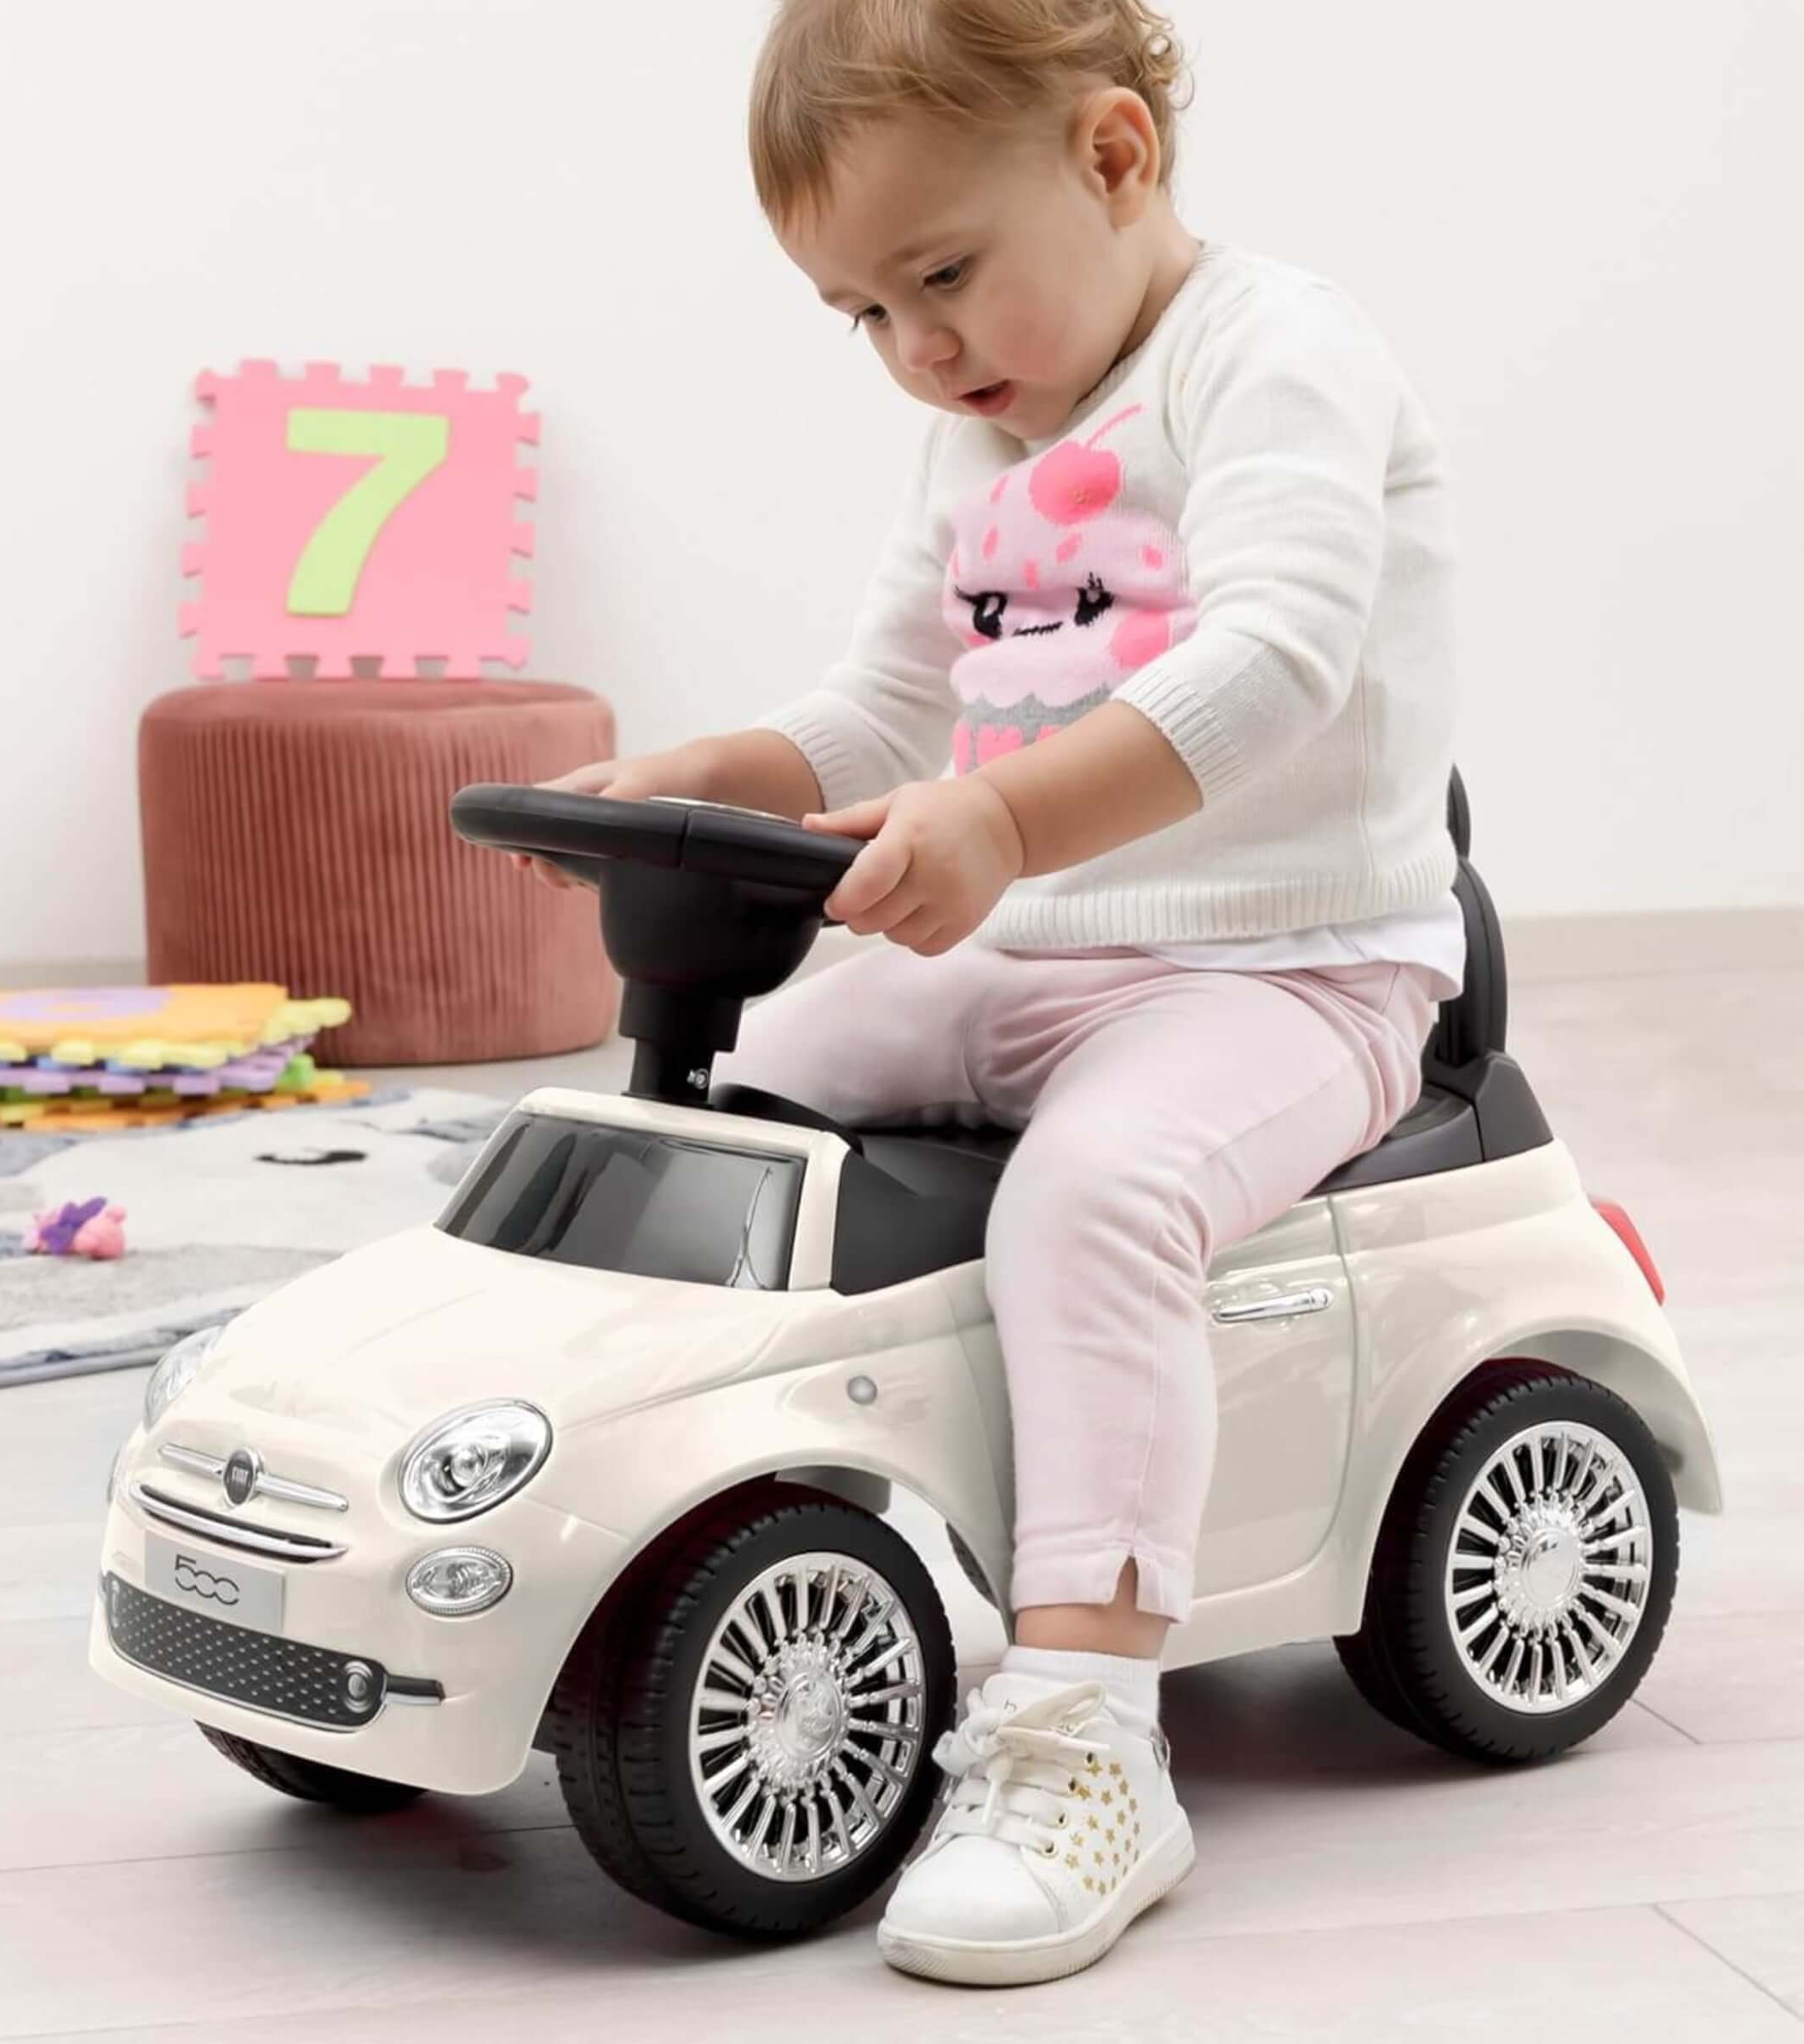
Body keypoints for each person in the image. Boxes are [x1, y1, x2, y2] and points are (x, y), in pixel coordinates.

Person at [517, 0, 1464, 1989]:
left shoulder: (1276, 356)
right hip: (1043, 959)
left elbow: (1281, 659)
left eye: (941, 277)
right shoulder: (984, 438)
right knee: (751, 1099)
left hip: (1293, 973)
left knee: (1098, 1194)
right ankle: (692, 1501)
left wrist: (1007, 822)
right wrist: (704, 777)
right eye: (863, 313)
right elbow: (882, 707)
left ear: (1113, 157)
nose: (919, 352)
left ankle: (1089, 1734)